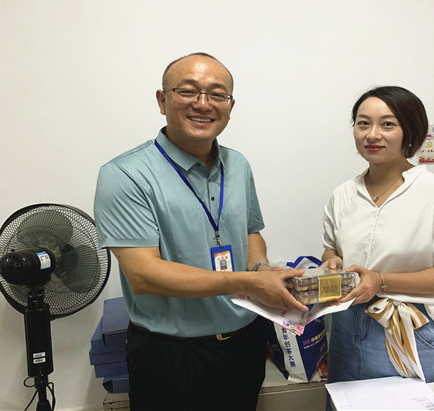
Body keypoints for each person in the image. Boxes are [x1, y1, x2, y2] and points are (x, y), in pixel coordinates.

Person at [93, 52, 307, 411]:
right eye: (188, 91)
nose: (203, 104)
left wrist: (260, 269)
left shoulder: (238, 165)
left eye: (217, 94)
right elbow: (144, 275)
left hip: (243, 344)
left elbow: (251, 232)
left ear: (230, 106)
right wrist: (250, 282)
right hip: (171, 356)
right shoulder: (125, 174)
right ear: (162, 100)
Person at [321, 86, 434, 389]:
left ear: (409, 132)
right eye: (363, 123)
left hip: (408, 328)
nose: (372, 134)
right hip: (346, 326)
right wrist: (333, 262)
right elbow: (331, 247)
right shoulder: (342, 195)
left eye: (387, 124)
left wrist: (381, 281)